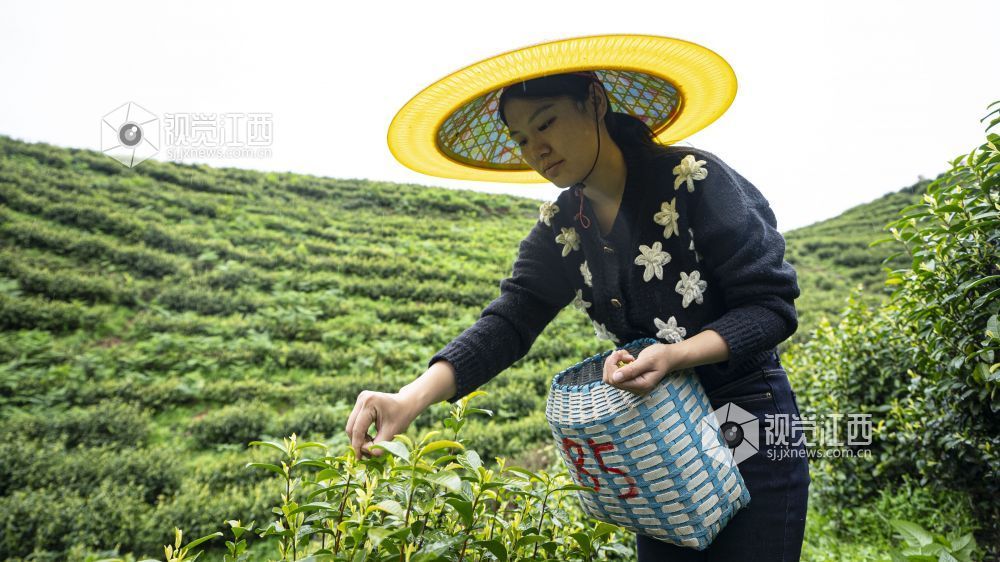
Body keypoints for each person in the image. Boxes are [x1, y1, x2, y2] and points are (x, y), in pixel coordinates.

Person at [357, 35, 810, 561]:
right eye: (522, 138)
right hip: (656, 436)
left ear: (595, 102)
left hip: (746, 416)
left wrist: (676, 354)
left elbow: (771, 306)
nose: (536, 151)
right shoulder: (561, 227)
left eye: (546, 123)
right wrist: (409, 398)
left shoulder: (693, 181)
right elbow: (511, 320)